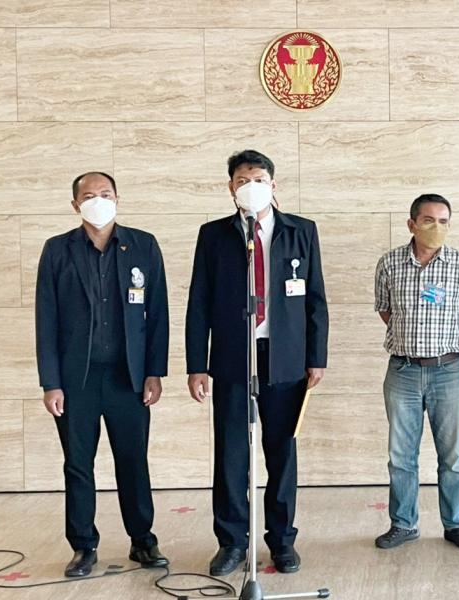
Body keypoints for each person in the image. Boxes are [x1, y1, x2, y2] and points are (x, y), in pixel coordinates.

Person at [186, 149, 328, 576]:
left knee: (281, 452)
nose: (252, 186)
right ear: (231, 188)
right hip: (233, 358)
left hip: (285, 359)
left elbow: (315, 300)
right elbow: (199, 303)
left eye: (259, 179)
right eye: (243, 180)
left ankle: (282, 541)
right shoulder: (214, 235)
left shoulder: (301, 231)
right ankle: (232, 542)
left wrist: (316, 357)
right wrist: (197, 364)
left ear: (274, 184)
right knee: (231, 454)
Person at [35, 171, 170, 577]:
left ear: (118, 199)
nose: (98, 201)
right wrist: (51, 382)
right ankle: (83, 546)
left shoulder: (143, 245)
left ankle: (142, 540)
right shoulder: (58, 250)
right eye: (89, 195)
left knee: (133, 459)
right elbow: (46, 319)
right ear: (75, 205)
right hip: (76, 379)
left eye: (106, 194)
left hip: (128, 377)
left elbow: (157, 314)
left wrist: (154, 372)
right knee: (78, 463)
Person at [373, 194, 459, 552]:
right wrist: (412, 338)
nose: (436, 227)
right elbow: (385, 309)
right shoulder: (389, 263)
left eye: (443, 221)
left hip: (449, 371)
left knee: (452, 456)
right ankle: (403, 524)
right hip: (403, 371)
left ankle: (456, 524)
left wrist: (439, 338)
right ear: (411, 224)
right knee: (401, 456)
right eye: (428, 220)